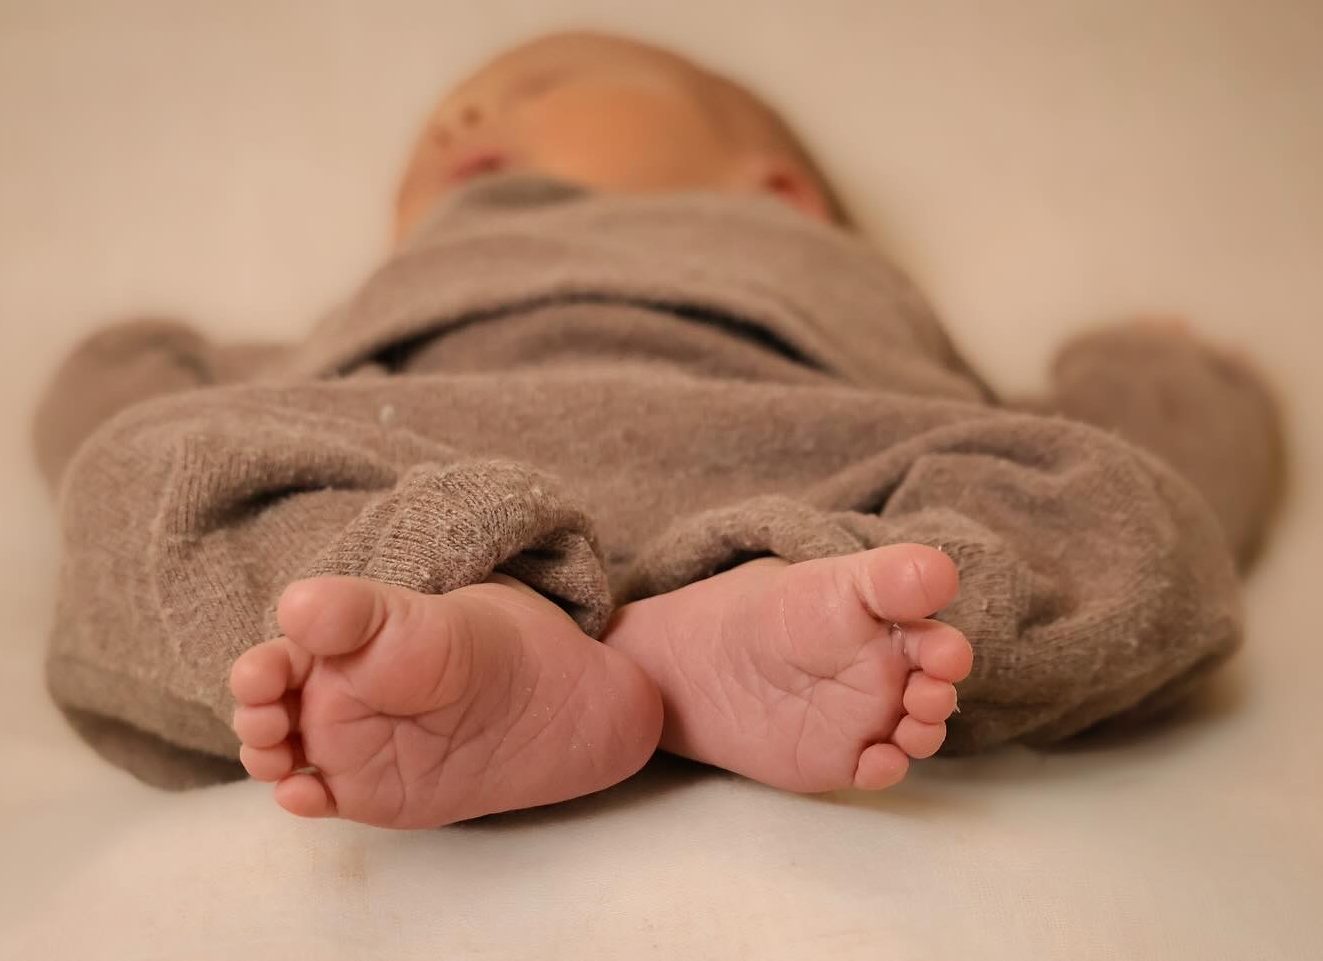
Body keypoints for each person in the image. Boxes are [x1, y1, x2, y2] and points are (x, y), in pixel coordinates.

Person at [32, 30, 1283, 829]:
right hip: (424, 496)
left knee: (1123, 509)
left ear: (776, 189)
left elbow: (1142, 464)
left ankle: (742, 621)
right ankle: (497, 638)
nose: (459, 125)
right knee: (138, 476)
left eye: (539, 89)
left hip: (822, 473)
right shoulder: (378, 295)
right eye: (440, 129)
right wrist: (130, 366)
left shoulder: (825, 267)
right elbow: (135, 424)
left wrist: (1153, 371)